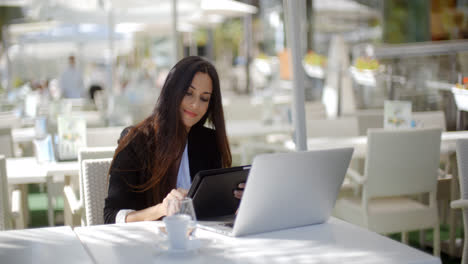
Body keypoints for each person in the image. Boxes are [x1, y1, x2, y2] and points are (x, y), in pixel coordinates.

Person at [104, 56, 243, 224]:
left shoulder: (210, 142)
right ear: (173, 91)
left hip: (200, 241)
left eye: (204, 98)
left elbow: (212, 209)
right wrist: (162, 209)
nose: (195, 105)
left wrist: (237, 200)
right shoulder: (136, 141)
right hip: (151, 244)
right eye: (188, 93)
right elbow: (112, 216)